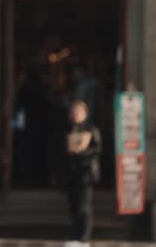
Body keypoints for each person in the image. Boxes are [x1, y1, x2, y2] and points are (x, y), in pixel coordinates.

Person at [63, 100, 101, 247]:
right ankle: (74, 237)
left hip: (86, 172)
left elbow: (97, 149)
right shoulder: (68, 128)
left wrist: (82, 152)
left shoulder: (91, 129)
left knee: (83, 206)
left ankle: (83, 238)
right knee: (73, 206)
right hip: (72, 172)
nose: (75, 114)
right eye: (73, 111)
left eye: (78, 112)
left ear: (85, 113)